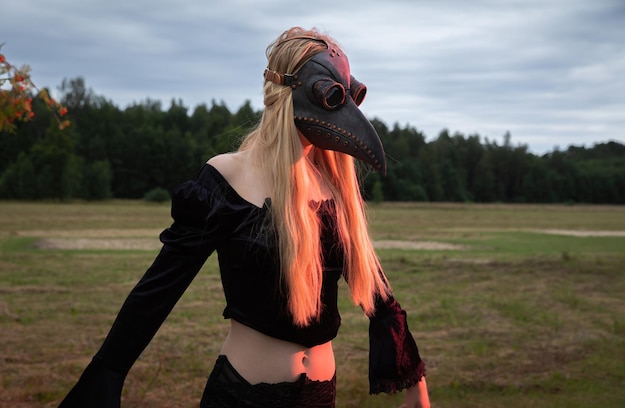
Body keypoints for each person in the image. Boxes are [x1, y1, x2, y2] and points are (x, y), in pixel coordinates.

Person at [58, 27, 430, 408]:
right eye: (331, 94)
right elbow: (160, 286)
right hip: (242, 395)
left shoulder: (334, 187)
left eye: (348, 95)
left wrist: (414, 380)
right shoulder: (228, 178)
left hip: (320, 395)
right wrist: (108, 372)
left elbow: (375, 287)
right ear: (288, 92)